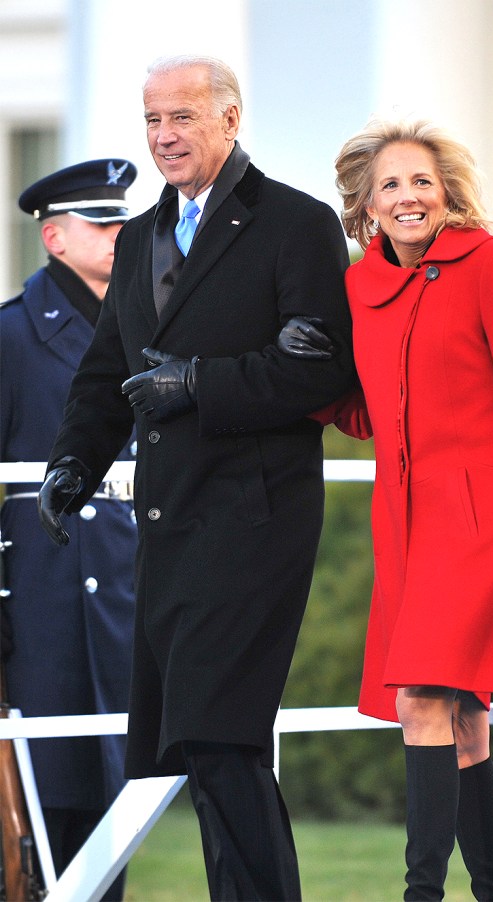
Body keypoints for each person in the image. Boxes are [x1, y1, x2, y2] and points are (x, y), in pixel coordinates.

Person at [36, 54, 355, 901]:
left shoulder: (297, 222)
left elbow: (322, 370)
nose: (164, 136)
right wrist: (74, 461)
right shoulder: (140, 233)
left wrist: (195, 384)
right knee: (205, 748)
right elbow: (107, 372)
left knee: (218, 738)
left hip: (256, 526)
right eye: (152, 120)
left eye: (181, 117)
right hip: (169, 531)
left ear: (230, 118)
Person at [279, 117, 493, 902]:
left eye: (422, 181)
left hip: (481, 524)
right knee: (459, 724)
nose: (407, 196)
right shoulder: (362, 286)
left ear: (448, 194)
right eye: (390, 184)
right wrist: (311, 383)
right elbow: (373, 412)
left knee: (420, 697)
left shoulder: (491, 267)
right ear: (366, 205)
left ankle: (420, 894)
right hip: (405, 528)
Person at [0, 159, 138, 899]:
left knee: (122, 795)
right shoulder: (13, 336)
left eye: (124, 221)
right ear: (54, 238)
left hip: (126, 597)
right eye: (102, 224)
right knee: (44, 811)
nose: (121, 234)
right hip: (40, 608)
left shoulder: (151, 323)